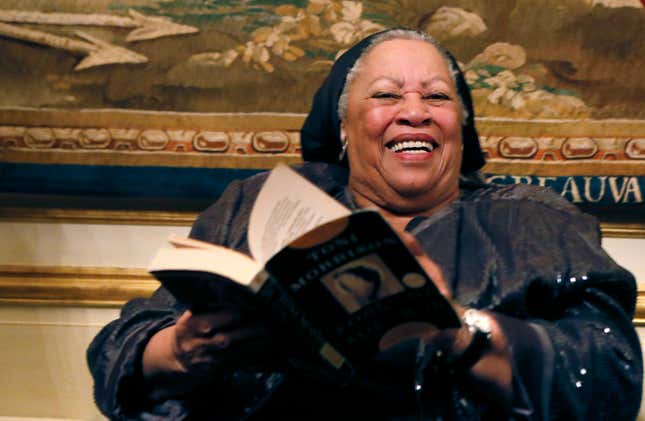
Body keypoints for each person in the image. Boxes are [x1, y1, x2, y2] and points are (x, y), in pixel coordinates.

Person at [87, 28, 642, 420]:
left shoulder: (532, 220)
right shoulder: (253, 204)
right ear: (344, 127)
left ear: (460, 125)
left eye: (437, 96)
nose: (414, 111)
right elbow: (119, 350)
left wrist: (460, 334)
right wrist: (178, 351)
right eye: (385, 95)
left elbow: (612, 375)